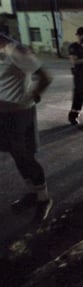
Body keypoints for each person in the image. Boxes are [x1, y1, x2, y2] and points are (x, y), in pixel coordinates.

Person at [0, 33, 53, 221]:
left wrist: (33, 95)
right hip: (3, 113)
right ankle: (33, 193)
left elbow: (45, 77)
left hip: (19, 114)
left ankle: (44, 198)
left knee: (25, 156)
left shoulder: (15, 50)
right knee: (16, 156)